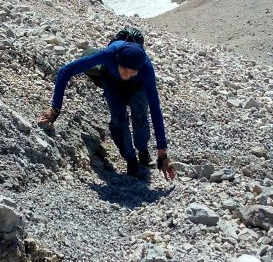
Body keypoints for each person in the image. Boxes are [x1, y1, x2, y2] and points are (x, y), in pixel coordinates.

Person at [39, 40, 176, 180]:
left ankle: (143, 151)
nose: (128, 75)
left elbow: (155, 110)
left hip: (138, 85)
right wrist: (55, 108)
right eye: (125, 70)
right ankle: (131, 160)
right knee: (118, 120)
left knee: (140, 115)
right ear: (118, 61)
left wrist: (162, 154)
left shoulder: (146, 67)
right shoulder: (109, 54)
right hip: (112, 81)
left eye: (132, 72)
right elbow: (65, 70)